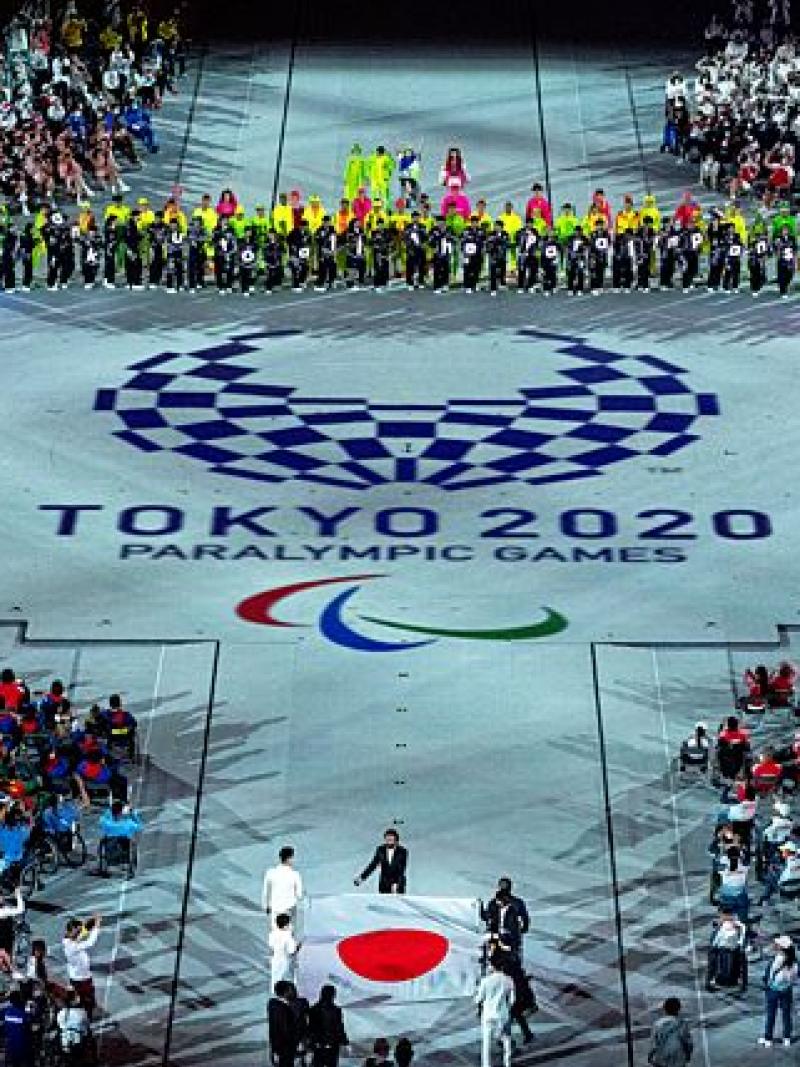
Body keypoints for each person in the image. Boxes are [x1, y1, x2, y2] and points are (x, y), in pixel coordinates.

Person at [475, 954, 514, 1067]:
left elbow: (478, 1000)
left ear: (491, 966)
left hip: (488, 1015)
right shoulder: (508, 980)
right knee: (506, 1040)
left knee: (486, 1044)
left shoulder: (485, 981)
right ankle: (507, 1063)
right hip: (503, 1014)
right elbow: (512, 1000)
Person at [62, 915, 102, 1020]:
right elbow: (90, 942)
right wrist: (96, 926)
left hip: (77, 977)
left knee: (80, 1001)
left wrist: (90, 922)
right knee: (87, 1002)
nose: (79, 933)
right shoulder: (72, 946)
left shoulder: (69, 940)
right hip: (82, 979)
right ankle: (85, 1022)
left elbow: (82, 933)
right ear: (71, 931)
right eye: (77, 931)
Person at [760, 936, 797, 1047]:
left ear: (782, 948)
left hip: (774, 990)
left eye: (778, 944)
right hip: (787, 990)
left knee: (771, 1014)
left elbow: (771, 975)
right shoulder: (793, 961)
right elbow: (793, 978)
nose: (776, 945)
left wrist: (768, 984)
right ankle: (787, 1038)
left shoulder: (778, 959)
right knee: (786, 1014)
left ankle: (768, 1038)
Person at [354, 829, 407, 894]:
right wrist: (361, 878)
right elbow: (373, 865)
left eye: (391, 839)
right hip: (384, 883)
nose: (389, 841)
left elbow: (401, 869)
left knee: (397, 903)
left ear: (396, 840)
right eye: (387, 839)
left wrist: (396, 883)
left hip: (398, 884)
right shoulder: (380, 849)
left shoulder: (402, 851)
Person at [263, 847, 303, 927]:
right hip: (289, 908)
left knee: (275, 931)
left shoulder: (270, 873)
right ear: (289, 858)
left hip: (275, 908)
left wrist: (267, 906)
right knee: (288, 933)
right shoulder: (295, 874)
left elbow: (266, 892)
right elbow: (299, 895)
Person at [309, 984, 348, 1067]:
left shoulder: (314, 1009)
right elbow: (339, 1027)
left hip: (320, 1043)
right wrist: (344, 1041)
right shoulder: (336, 1010)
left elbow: (311, 1028)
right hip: (331, 1043)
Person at [648, 997, 693, 1067]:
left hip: (661, 1060)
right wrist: (688, 1056)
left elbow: (654, 1044)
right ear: (678, 1009)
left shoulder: (657, 1024)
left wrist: (650, 1057)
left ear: (665, 1009)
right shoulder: (682, 1024)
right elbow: (688, 1043)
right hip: (678, 1060)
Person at [268, 980, 299, 1067]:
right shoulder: (284, 1009)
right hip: (286, 1048)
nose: (293, 992)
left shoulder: (272, 1003)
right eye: (291, 990)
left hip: (276, 1045)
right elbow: (286, 1030)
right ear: (285, 992)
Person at [56, 988, 91, 1061]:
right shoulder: (82, 1013)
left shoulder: (60, 1013)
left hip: (64, 1043)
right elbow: (86, 1027)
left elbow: (60, 1027)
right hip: (77, 1043)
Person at [269, 913, 300, 994]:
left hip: (275, 959)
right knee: (290, 977)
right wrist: (298, 947)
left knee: (276, 977)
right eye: (289, 923)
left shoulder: (272, 934)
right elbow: (291, 951)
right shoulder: (288, 936)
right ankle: (290, 993)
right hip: (286, 960)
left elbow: (271, 945)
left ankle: (275, 992)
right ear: (286, 925)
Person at [2, 989, 33, 1067]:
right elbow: (29, 1027)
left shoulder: (6, 1012)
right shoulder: (24, 1014)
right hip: (23, 1047)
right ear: (20, 999)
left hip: (11, 1046)